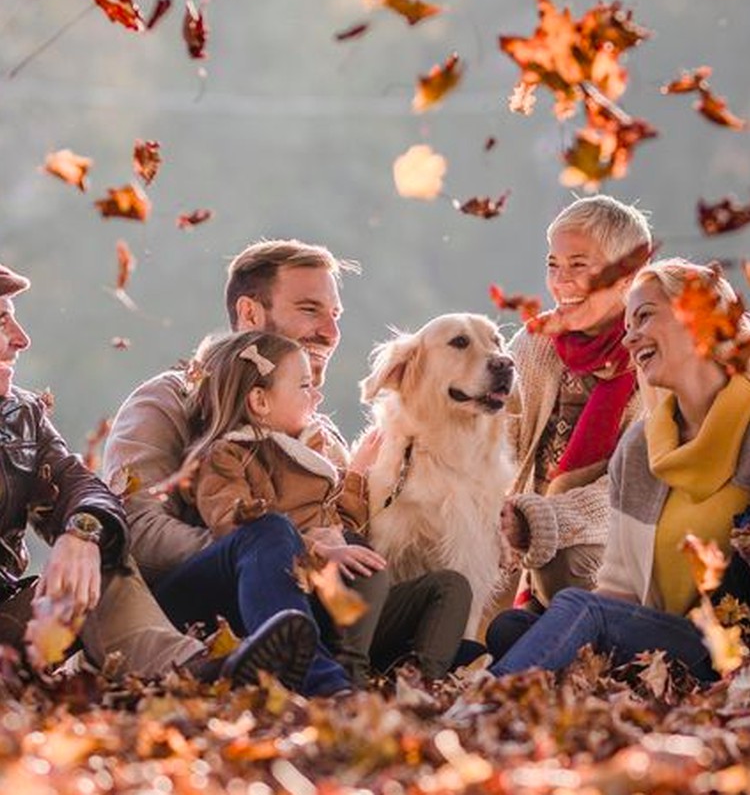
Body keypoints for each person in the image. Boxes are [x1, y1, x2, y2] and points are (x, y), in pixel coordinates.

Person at [105, 240, 471, 686]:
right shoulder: (168, 401)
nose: (330, 333)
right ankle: (321, 681)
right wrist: (280, 551)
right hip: (199, 611)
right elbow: (137, 529)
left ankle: (391, 676)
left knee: (458, 633)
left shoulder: (321, 438)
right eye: (310, 310)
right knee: (272, 530)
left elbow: (351, 539)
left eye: (335, 316)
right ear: (251, 314)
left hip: (313, 604)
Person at [0, 263, 315, 689]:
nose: (21, 339)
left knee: (100, 557)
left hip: (9, 616)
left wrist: (82, 533)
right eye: (3, 321)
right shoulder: (163, 403)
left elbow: (81, 487)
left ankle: (203, 671)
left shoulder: (20, 415)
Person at [488, 258, 750, 681]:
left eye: (645, 316)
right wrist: (588, 627)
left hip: (727, 649)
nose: (630, 339)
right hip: (657, 643)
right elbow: (620, 586)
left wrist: (589, 618)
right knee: (512, 628)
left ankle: (483, 701)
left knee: (578, 611)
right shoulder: (643, 447)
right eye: (627, 326)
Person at [500, 195, 651, 616]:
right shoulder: (535, 344)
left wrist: (540, 519)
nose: (560, 282)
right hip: (526, 532)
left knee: (564, 560)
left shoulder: (647, 356)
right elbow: (499, 441)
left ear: (627, 275)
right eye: (553, 265)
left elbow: (632, 490)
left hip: (616, 547)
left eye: (579, 266)